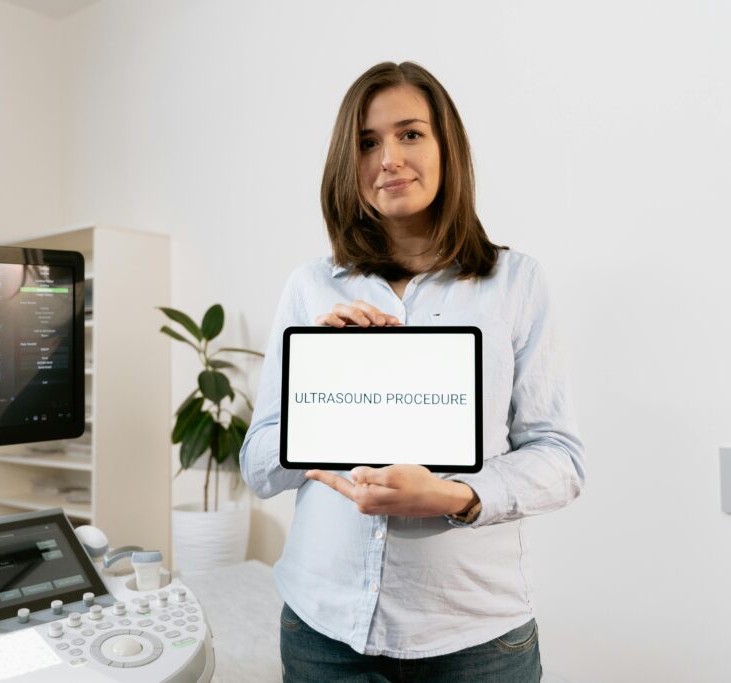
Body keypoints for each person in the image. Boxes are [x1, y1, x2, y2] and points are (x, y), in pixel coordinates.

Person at [240, 62, 585, 682]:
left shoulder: (515, 282)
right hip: (323, 633)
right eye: (367, 142)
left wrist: (454, 496)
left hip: (473, 641)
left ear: (446, 146)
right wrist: (320, 393)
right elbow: (259, 464)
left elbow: (559, 458)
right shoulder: (311, 287)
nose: (388, 158)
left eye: (410, 134)